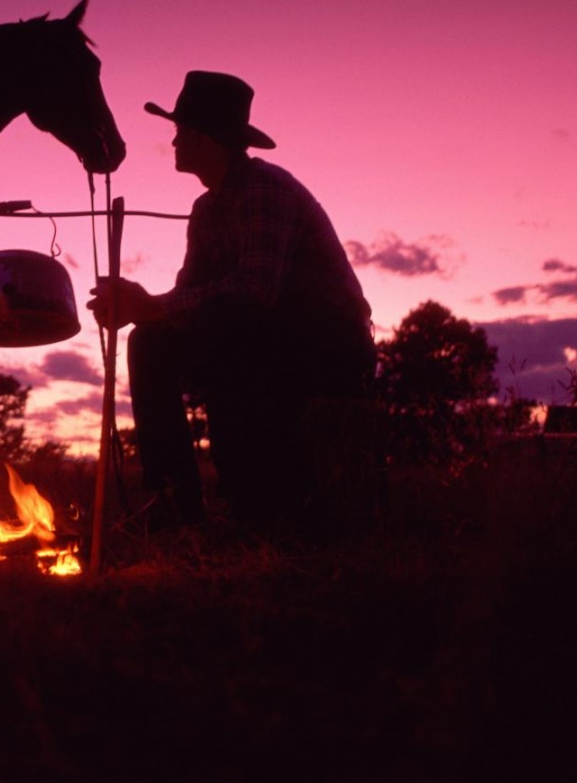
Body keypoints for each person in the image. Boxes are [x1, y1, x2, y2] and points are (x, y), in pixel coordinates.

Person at [88, 71, 374, 524]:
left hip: (330, 343)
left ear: (203, 138)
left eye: (180, 132)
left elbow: (256, 290)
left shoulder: (265, 188)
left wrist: (154, 306)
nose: (175, 143)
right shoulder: (206, 210)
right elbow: (189, 297)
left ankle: (257, 498)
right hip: (262, 336)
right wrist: (140, 310)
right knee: (150, 341)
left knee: (232, 323)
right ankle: (173, 497)